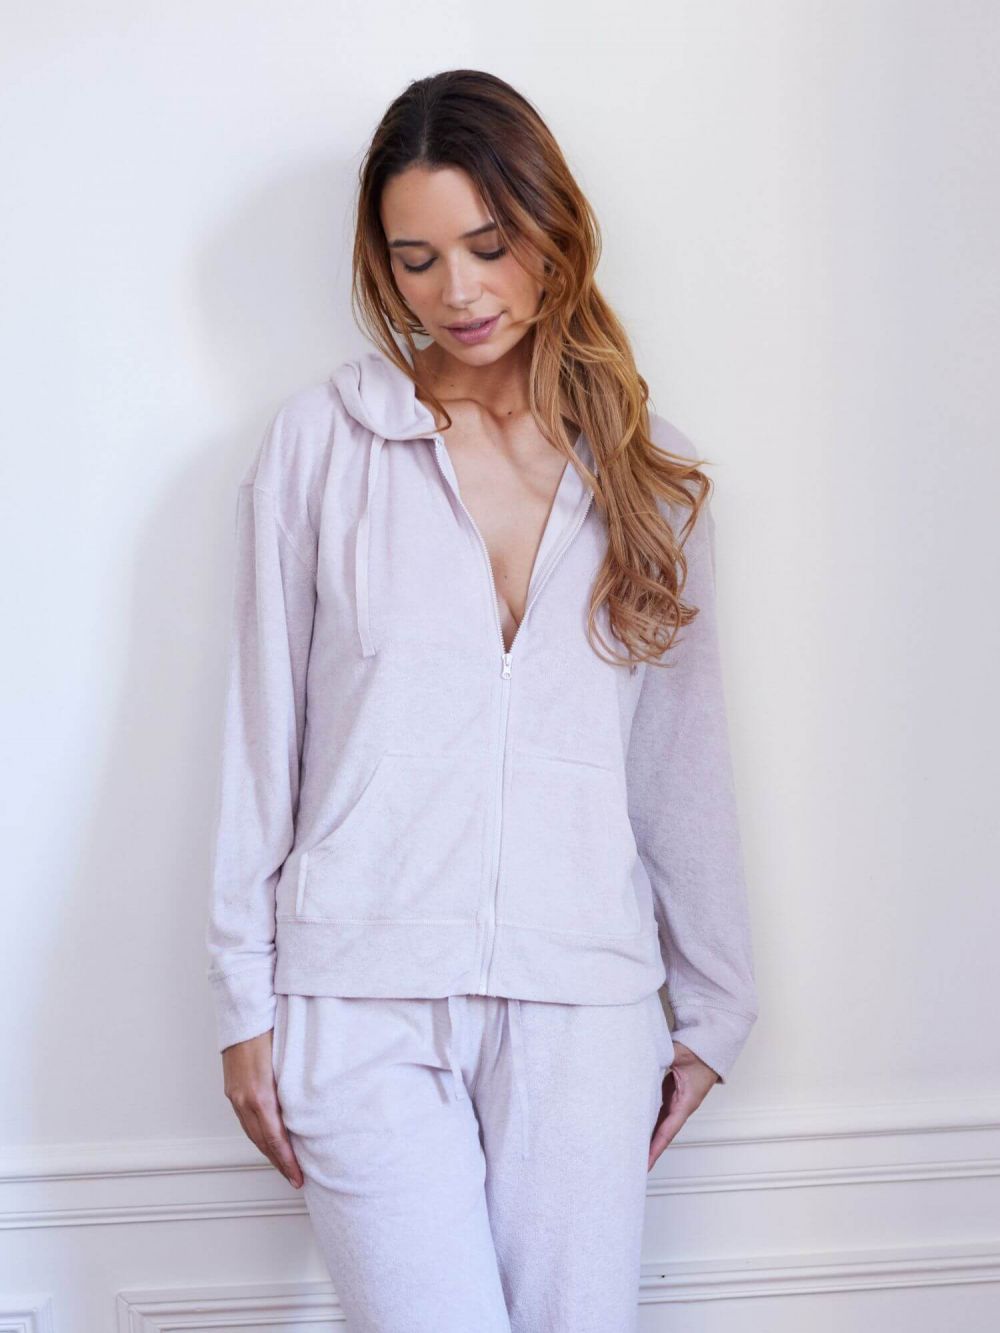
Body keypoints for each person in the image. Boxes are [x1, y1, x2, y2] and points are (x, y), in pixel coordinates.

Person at [205, 68, 759, 1333]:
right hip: (359, 993)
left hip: (583, 1002)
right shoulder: (321, 448)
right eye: (415, 260)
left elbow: (678, 763)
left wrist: (716, 1006)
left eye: (487, 245)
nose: (455, 292)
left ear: (550, 229)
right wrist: (242, 999)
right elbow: (260, 737)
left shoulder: (647, 478)